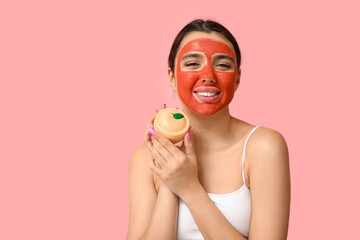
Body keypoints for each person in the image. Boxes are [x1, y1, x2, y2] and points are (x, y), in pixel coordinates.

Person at [127, 19, 290, 240]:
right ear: (172, 78)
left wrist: (190, 189)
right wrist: (169, 179)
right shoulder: (145, 158)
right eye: (193, 63)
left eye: (222, 65)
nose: (208, 76)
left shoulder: (264, 147)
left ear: (237, 79)